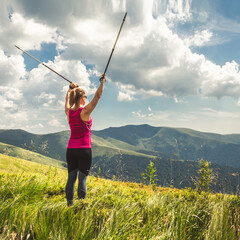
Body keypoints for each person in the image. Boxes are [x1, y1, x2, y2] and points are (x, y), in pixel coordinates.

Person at [65, 74, 106, 206]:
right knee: (82, 178)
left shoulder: (69, 112)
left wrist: (70, 89)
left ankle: (69, 205)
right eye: (85, 97)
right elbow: (98, 97)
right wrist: (102, 82)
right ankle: (81, 205)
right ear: (81, 98)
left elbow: (67, 100)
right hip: (84, 150)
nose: (86, 99)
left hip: (71, 149)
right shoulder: (85, 112)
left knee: (71, 178)